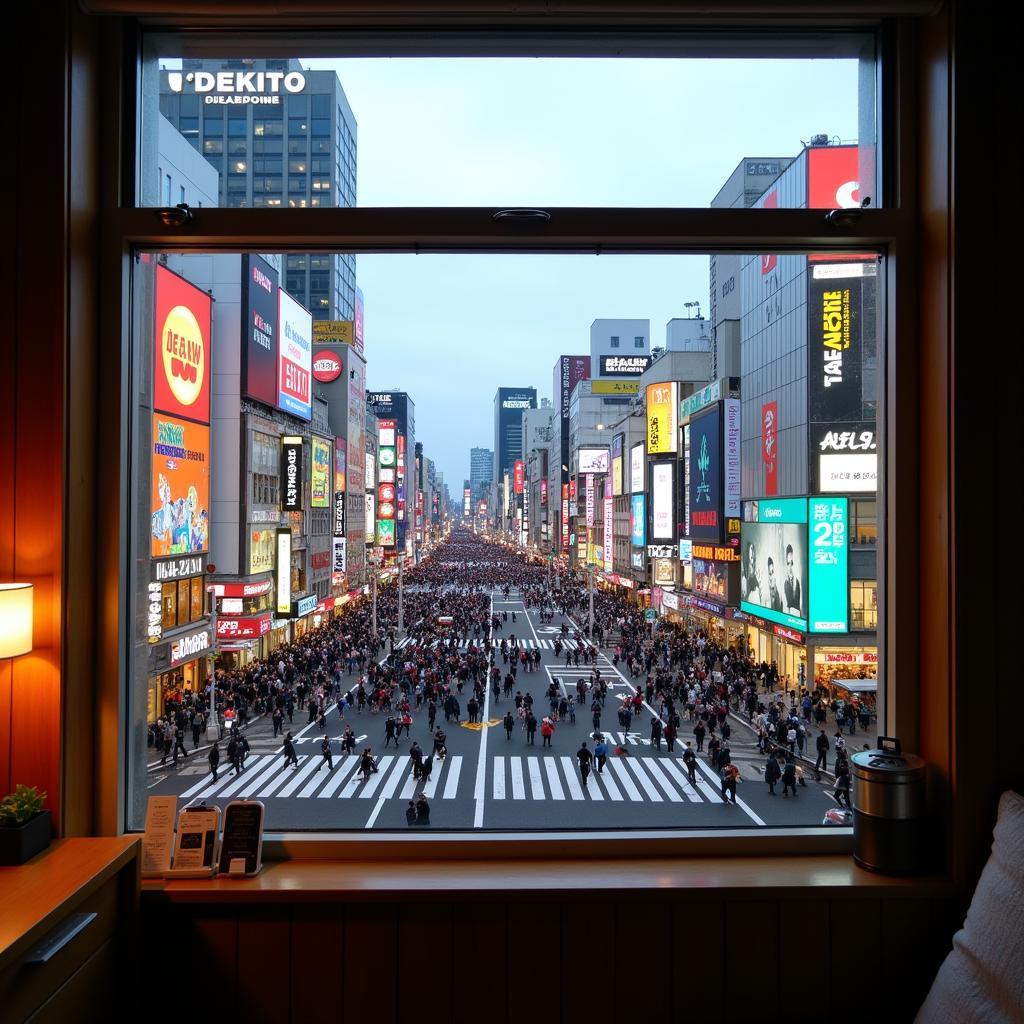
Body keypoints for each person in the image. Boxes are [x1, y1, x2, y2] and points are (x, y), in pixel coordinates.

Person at [783, 543, 802, 614]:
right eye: (788, 563)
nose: (790, 567)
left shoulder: (797, 582)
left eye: (792, 563)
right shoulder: (785, 584)